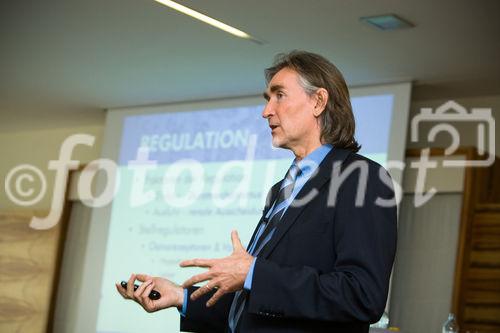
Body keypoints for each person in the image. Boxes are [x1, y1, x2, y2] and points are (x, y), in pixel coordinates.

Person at [116, 50, 397, 333]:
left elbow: (362, 295)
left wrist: (253, 273)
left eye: (279, 95)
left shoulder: (362, 178)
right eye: (267, 99)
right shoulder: (282, 189)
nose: (266, 111)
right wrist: (181, 296)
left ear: (318, 101)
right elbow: (256, 306)